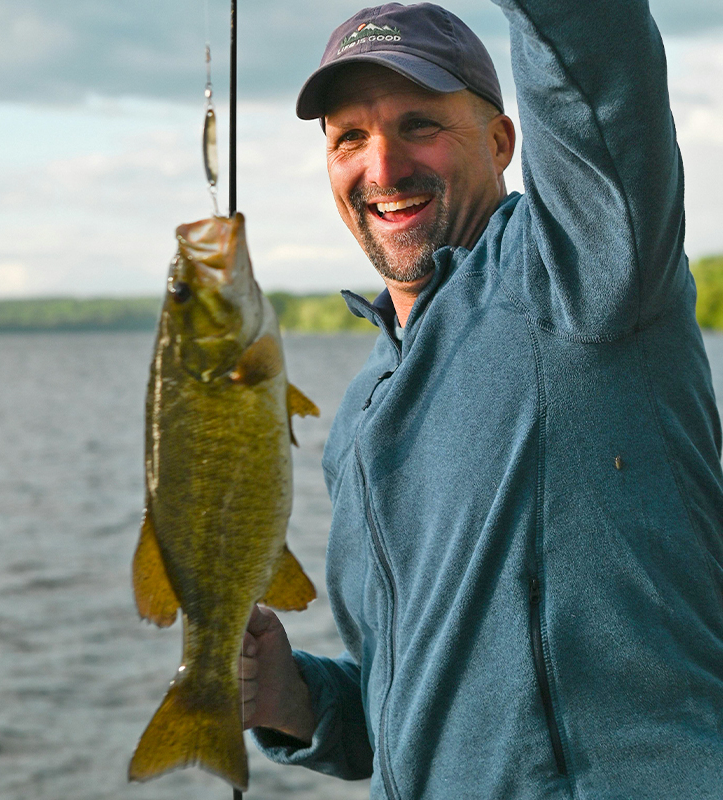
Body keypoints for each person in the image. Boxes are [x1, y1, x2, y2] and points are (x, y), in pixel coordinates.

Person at [240, 2, 723, 797]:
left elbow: (595, 60)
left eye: (420, 124)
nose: (383, 167)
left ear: (501, 141)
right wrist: (299, 702)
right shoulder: (359, 412)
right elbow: (411, 704)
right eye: (348, 137)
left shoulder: (581, 270)